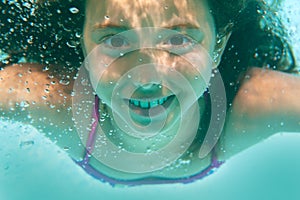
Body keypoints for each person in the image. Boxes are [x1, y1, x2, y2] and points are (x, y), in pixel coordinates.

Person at [0, 0, 299, 186]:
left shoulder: (249, 101)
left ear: (217, 46)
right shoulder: (49, 96)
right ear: (82, 46)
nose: (145, 77)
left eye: (178, 39)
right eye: (116, 41)